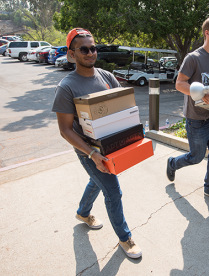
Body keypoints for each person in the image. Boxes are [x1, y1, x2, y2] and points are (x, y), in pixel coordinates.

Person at [51, 28, 142, 259]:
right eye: (84, 49)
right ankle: (125, 238)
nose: (91, 53)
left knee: (97, 180)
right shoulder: (67, 87)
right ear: (72, 54)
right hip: (88, 150)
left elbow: (121, 107)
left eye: (93, 48)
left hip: (112, 145)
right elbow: (64, 130)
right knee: (113, 191)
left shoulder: (106, 76)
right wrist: (92, 154)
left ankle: (83, 212)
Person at [167, 16, 209, 204]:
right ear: (207, 33)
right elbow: (179, 84)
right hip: (196, 119)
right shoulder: (193, 58)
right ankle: (173, 163)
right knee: (196, 157)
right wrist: (201, 93)